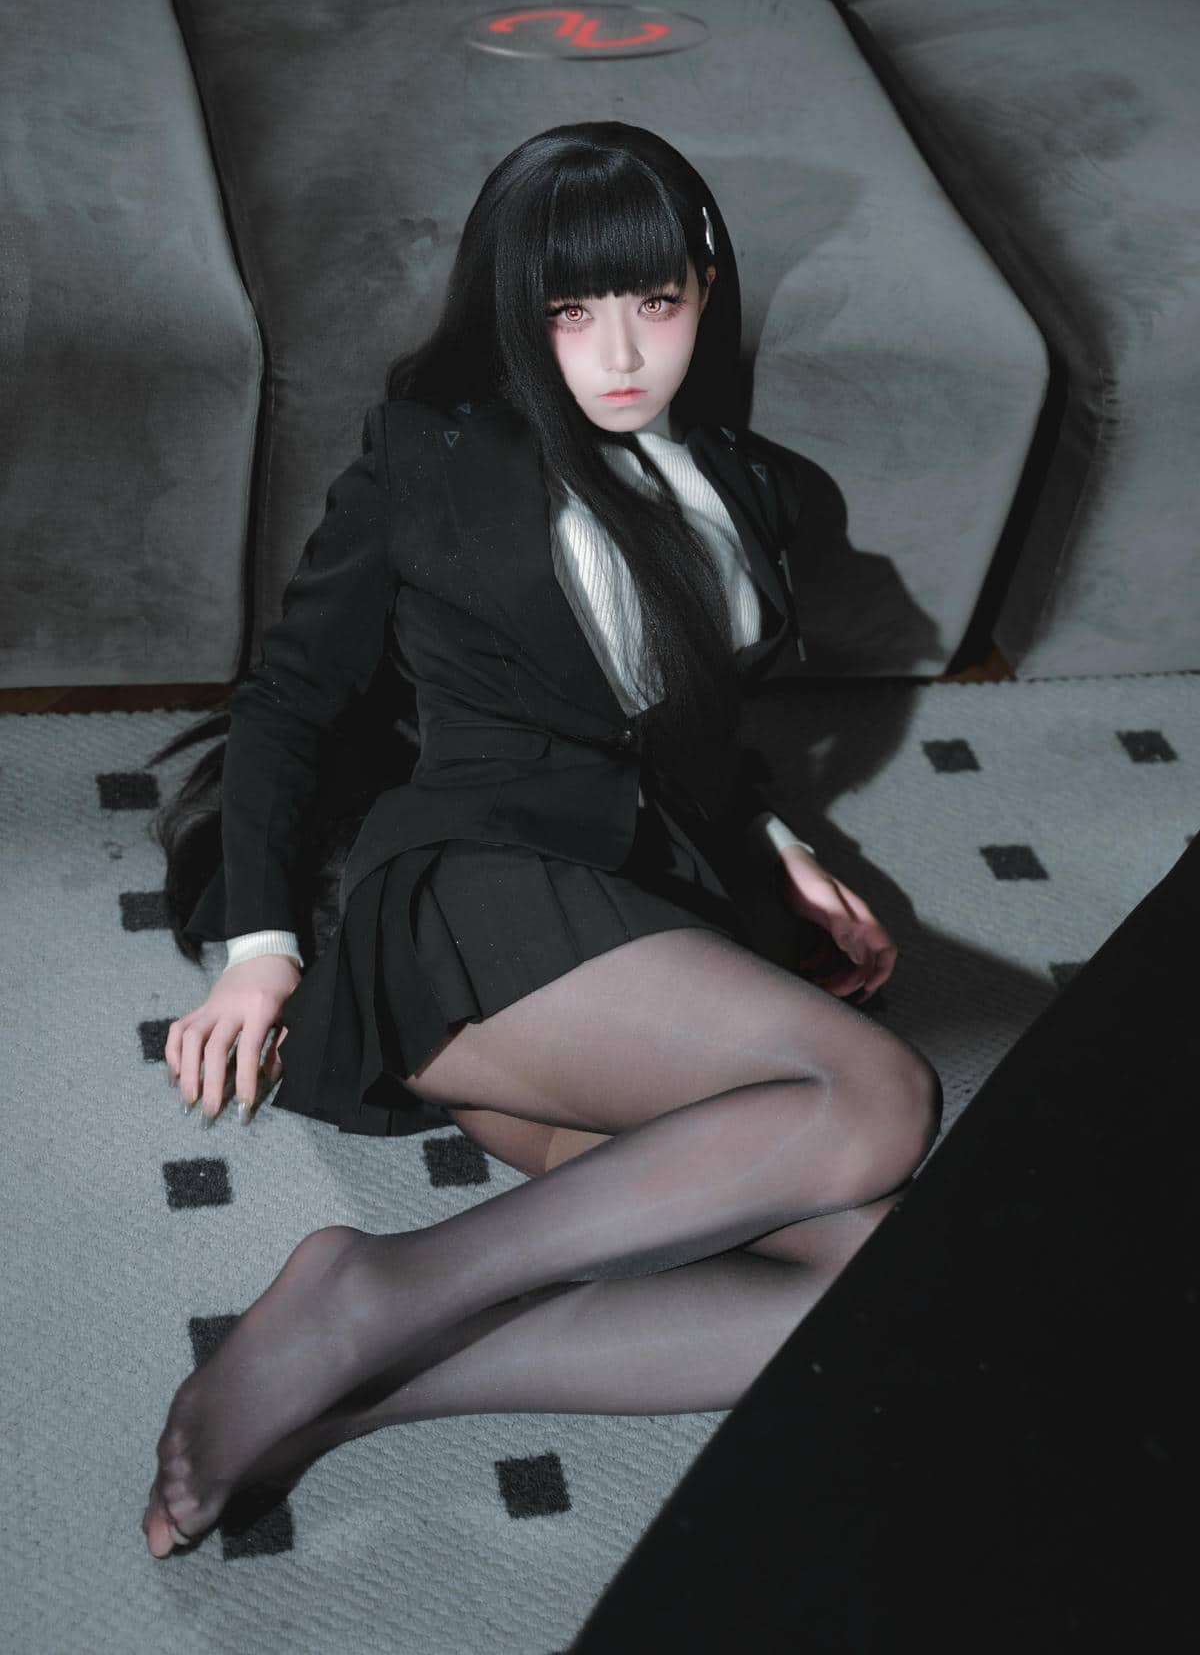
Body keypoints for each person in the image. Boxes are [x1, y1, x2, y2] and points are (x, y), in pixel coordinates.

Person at [143, 121, 943, 1558]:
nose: (619, 354)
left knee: (881, 1268)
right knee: (880, 1095)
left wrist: (773, 838)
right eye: (571, 312)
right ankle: (377, 1288)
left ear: (707, 288)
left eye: (655, 301)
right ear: (515, 309)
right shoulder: (431, 455)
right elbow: (288, 700)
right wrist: (259, 948)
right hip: (469, 901)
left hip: (641, 911)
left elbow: (681, 716)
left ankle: (357, 1403)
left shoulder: (750, 484)